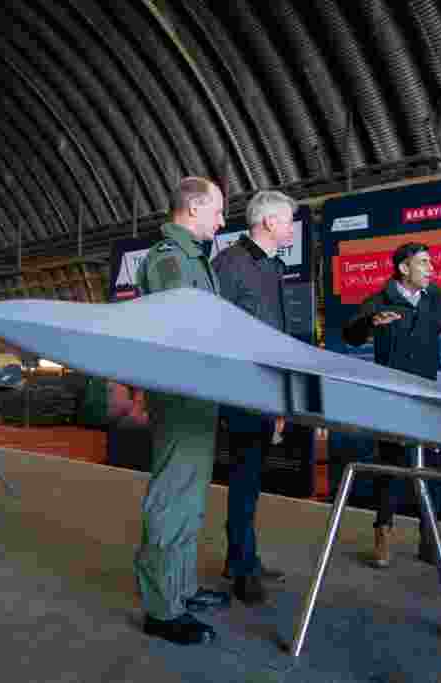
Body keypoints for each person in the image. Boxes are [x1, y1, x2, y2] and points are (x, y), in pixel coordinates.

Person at [342, 242, 441, 568]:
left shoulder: (435, 299)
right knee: (391, 466)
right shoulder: (381, 300)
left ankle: (430, 542)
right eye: (423, 262)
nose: (431, 269)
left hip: (426, 396)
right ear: (403, 268)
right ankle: (383, 533)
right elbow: (351, 334)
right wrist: (370, 324)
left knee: (430, 467)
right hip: (393, 396)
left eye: (431, 262)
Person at [133, 176, 230, 646]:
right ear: (193, 209)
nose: (222, 220)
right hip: (180, 394)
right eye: (218, 210)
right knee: (173, 496)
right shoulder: (169, 259)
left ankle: (182, 587)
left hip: (198, 393)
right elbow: (181, 329)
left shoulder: (193, 258)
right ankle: (163, 609)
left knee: (190, 497)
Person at [211, 189, 297, 605]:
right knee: (244, 478)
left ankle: (240, 559)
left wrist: (279, 395)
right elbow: (213, 327)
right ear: (268, 222)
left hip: (266, 388)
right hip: (241, 388)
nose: (291, 228)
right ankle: (243, 568)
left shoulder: (272, 266)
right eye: (287, 221)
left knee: (250, 479)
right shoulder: (229, 264)